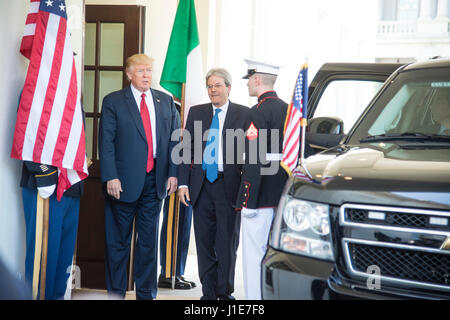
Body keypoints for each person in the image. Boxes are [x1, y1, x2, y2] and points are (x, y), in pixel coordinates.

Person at [99, 53, 180, 300]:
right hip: (121, 183)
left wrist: (174, 174)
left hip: (155, 182)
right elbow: (107, 142)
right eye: (142, 71)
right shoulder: (113, 101)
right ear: (129, 74)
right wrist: (110, 176)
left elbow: (176, 140)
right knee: (118, 245)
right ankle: (116, 295)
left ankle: (146, 295)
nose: (147, 75)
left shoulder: (165, 101)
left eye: (149, 71)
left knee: (148, 244)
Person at [178, 68, 250, 300]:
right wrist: (182, 184)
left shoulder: (244, 114)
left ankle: (224, 291)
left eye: (218, 85)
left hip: (229, 187)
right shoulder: (197, 113)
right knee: (204, 242)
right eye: (209, 86)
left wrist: (248, 189)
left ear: (229, 88)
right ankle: (208, 292)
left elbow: (252, 153)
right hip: (201, 187)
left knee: (227, 242)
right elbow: (185, 150)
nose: (213, 90)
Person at [236, 59, 289, 300]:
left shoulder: (256, 112)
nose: (247, 84)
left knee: (254, 255)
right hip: (282, 194)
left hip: (260, 196)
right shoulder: (290, 111)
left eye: (249, 79)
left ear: (257, 80)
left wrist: (249, 200)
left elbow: (254, 159)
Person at [21, 161, 83, 300]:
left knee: (64, 260)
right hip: (45, 182)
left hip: (71, 183)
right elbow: (27, 142)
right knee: (44, 261)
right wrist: (45, 172)